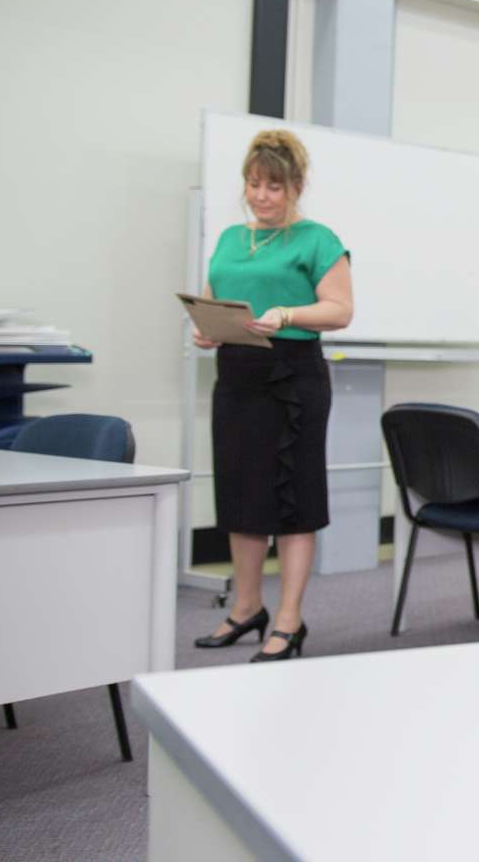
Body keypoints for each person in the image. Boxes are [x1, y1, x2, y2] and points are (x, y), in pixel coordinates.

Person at [192, 129, 353, 660]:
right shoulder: (231, 239)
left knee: (293, 500)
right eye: (253, 184)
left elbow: (339, 310)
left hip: (292, 378)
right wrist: (208, 326)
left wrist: (287, 314)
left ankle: (288, 620)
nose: (261, 196)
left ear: (296, 186)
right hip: (237, 374)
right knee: (242, 497)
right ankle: (245, 609)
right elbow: (216, 296)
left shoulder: (317, 239)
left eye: (273, 187)